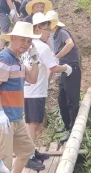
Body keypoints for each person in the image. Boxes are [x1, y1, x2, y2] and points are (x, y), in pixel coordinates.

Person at [0, 22, 45, 173]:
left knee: (27, 150)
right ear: (12, 38)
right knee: (3, 160)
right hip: (4, 118)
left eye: (29, 41)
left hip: (17, 117)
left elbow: (32, 79)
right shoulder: (4, 58)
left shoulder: (18, 60)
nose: (26, 44)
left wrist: (35, 60)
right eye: (22, 40)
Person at [24, 13, 72, 156]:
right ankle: (29, 155)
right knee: (33, 124)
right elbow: (54, 68)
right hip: (36, 91)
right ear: (37, 29)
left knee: (31, 123)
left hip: (27, 90)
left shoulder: (28, 45)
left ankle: (31, 151)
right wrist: (66, 68)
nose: (49, 34)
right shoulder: (42, 47)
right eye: (46, 30)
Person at [47, 11, 82, 143]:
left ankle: (73, 130)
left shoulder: (62, 32)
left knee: (72, 101)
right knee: (61, 99)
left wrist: (58, 56)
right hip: (63, 69)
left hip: (71, 68)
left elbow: (70, 44)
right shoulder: (53, 36)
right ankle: (67, 124)